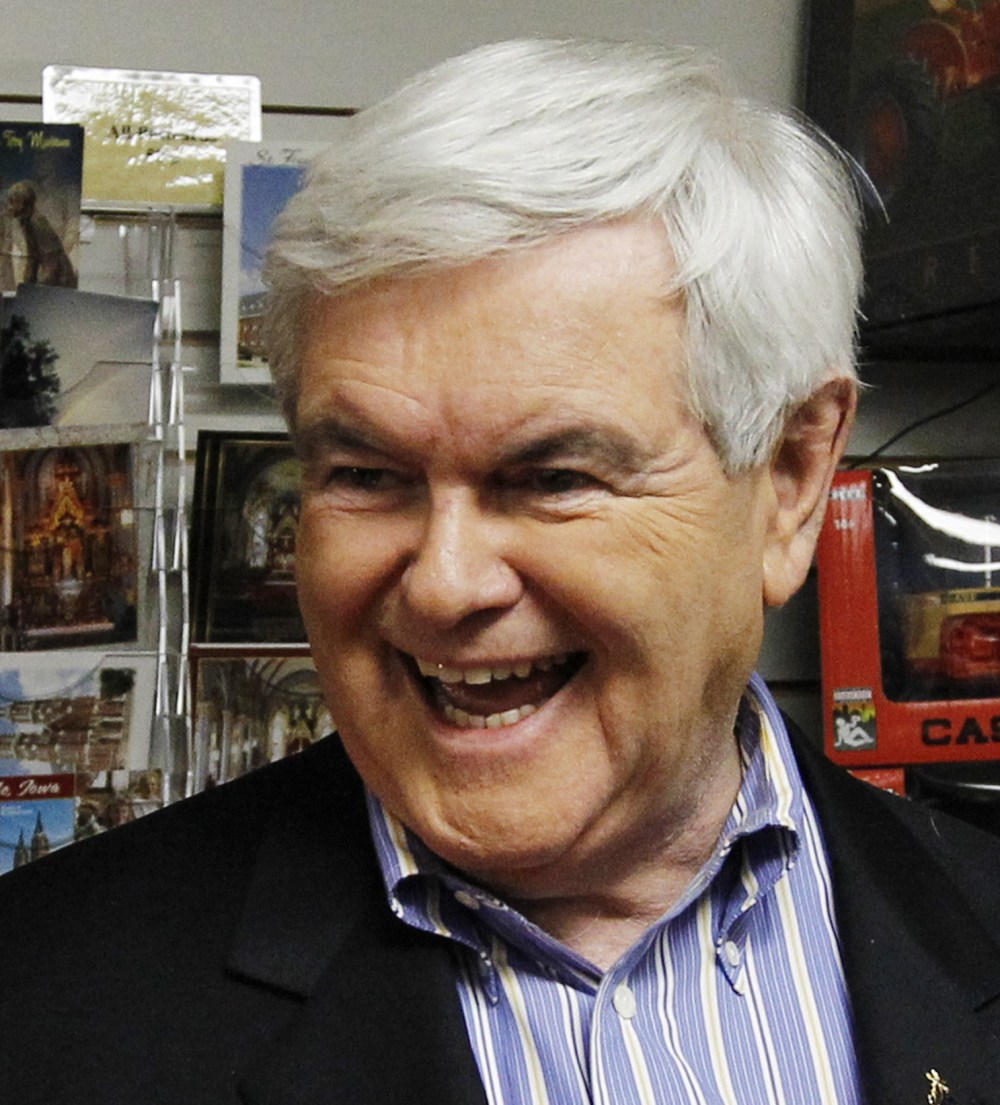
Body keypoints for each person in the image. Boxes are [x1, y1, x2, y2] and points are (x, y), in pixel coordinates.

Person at [1, 38, 999, 1105]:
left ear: (793, 478)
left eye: (554, 475)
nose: (442, 583)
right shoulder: (39, 1008)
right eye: (369, 474)